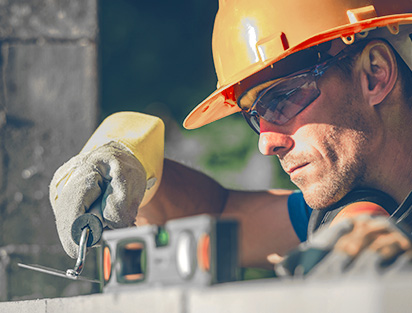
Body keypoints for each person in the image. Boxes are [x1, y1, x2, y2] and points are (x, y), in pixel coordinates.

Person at [50, 0, 412, 275]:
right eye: (254, 116)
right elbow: (218, 212)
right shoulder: (348, 204)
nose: (265, 142)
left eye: (282, 100)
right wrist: (128, 161)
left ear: (375, 75)